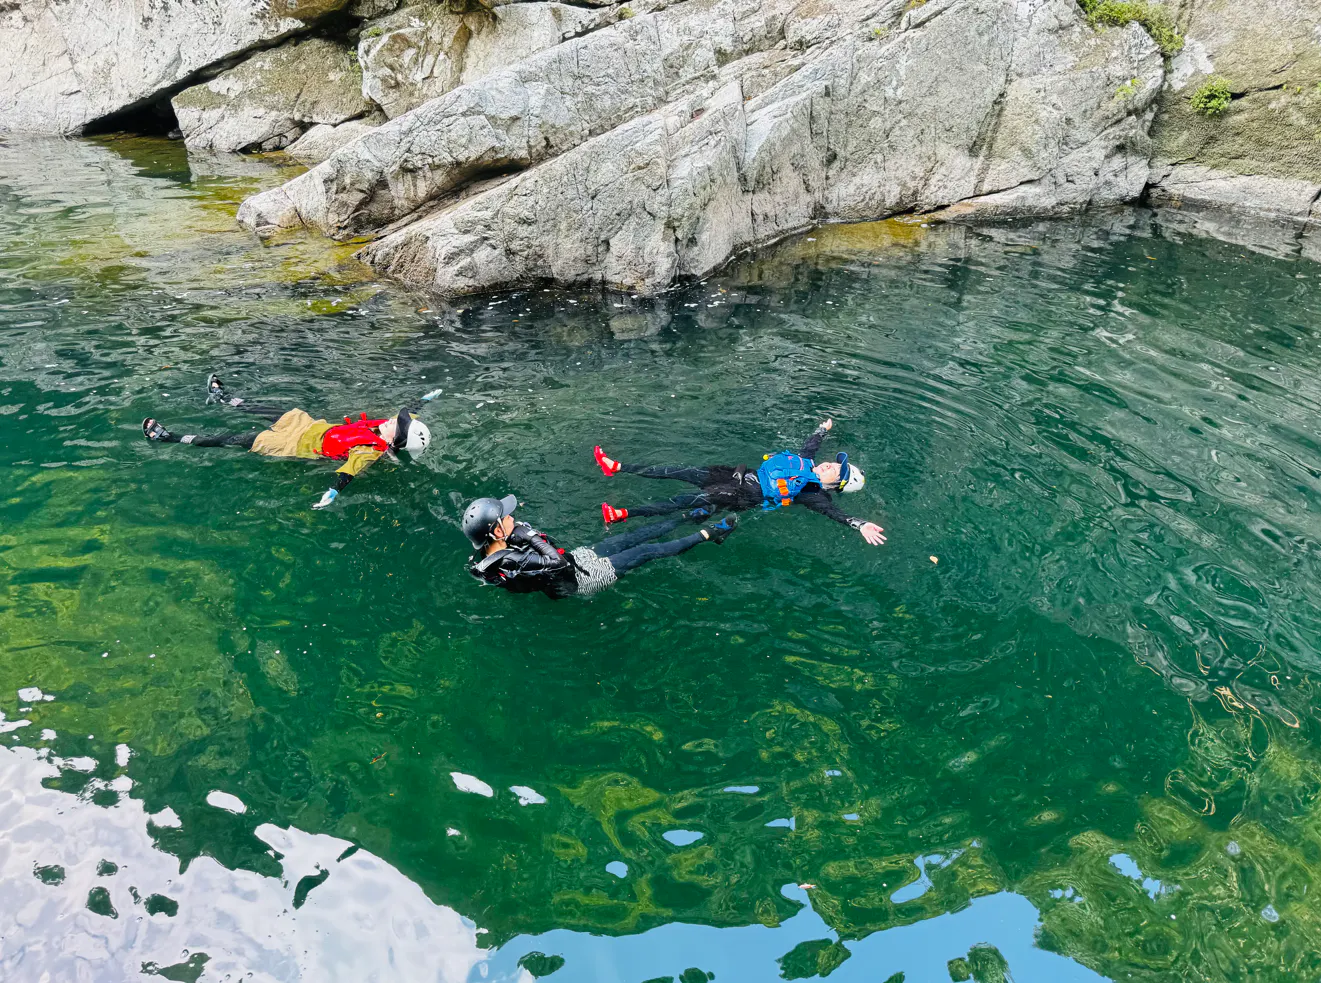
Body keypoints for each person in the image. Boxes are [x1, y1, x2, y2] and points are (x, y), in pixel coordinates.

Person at [141, 374, 431, 509]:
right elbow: (410, 412)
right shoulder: (385, 427)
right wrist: (425, 400)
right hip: (306, 425)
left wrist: (332, 493)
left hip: (293, 446)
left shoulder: (372, 450)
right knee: (259, 408)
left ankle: (170, 438)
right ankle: (223, 396)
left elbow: (349, 472)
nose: (397, 418)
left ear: (398, 440)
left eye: (400, 424)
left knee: (229, 439)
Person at [592, 419, 886, 546]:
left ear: (836, 486)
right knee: (680, 471)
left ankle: (622, 514)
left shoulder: (813, 494)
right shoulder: (807, 463)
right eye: (835, 463)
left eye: (837, 471)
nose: (830, 465)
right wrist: (822, 430)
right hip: (737, 473)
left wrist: (859, 524)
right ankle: (616, 467)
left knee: (683, 501)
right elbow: (809, 447)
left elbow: (834, 514)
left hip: (741, 495)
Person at [463, 494, 738, 599]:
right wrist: (529, 534)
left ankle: (690, 516)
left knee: (634, 536)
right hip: (582, 581)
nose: (513, 517)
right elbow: (556, 564)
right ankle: (711, 533)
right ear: (497, 530)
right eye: (507, 517)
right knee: (646, 551)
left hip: (575, 560)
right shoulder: (510, 559)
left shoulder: (490, 550)